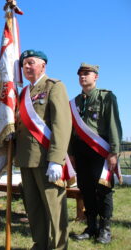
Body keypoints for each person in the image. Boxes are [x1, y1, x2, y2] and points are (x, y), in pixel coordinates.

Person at [14, 50, 71, 250]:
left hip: (46, 159)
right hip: (26, 158)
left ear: (43, 65)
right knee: (34, 208)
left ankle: (57, 246)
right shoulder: (23, 93)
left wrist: (56, 159)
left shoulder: (54, 87)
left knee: (54, 208)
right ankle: (40, 243)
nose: (27, 67)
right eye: (24, 64)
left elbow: (61, 124)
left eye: (31, 63)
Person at [69, 63, 122, 244]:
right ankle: (91, 227)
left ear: (96, 76)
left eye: (86, 73)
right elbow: (71, 129)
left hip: (100, 150)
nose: (82, 77)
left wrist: (114, 152)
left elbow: (114, 124)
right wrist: (71, 153)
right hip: (80, 150)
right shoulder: (75, 101)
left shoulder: (106, 97)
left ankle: (105, 229)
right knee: (86, 189)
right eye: (80, 74)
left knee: (104, 189)